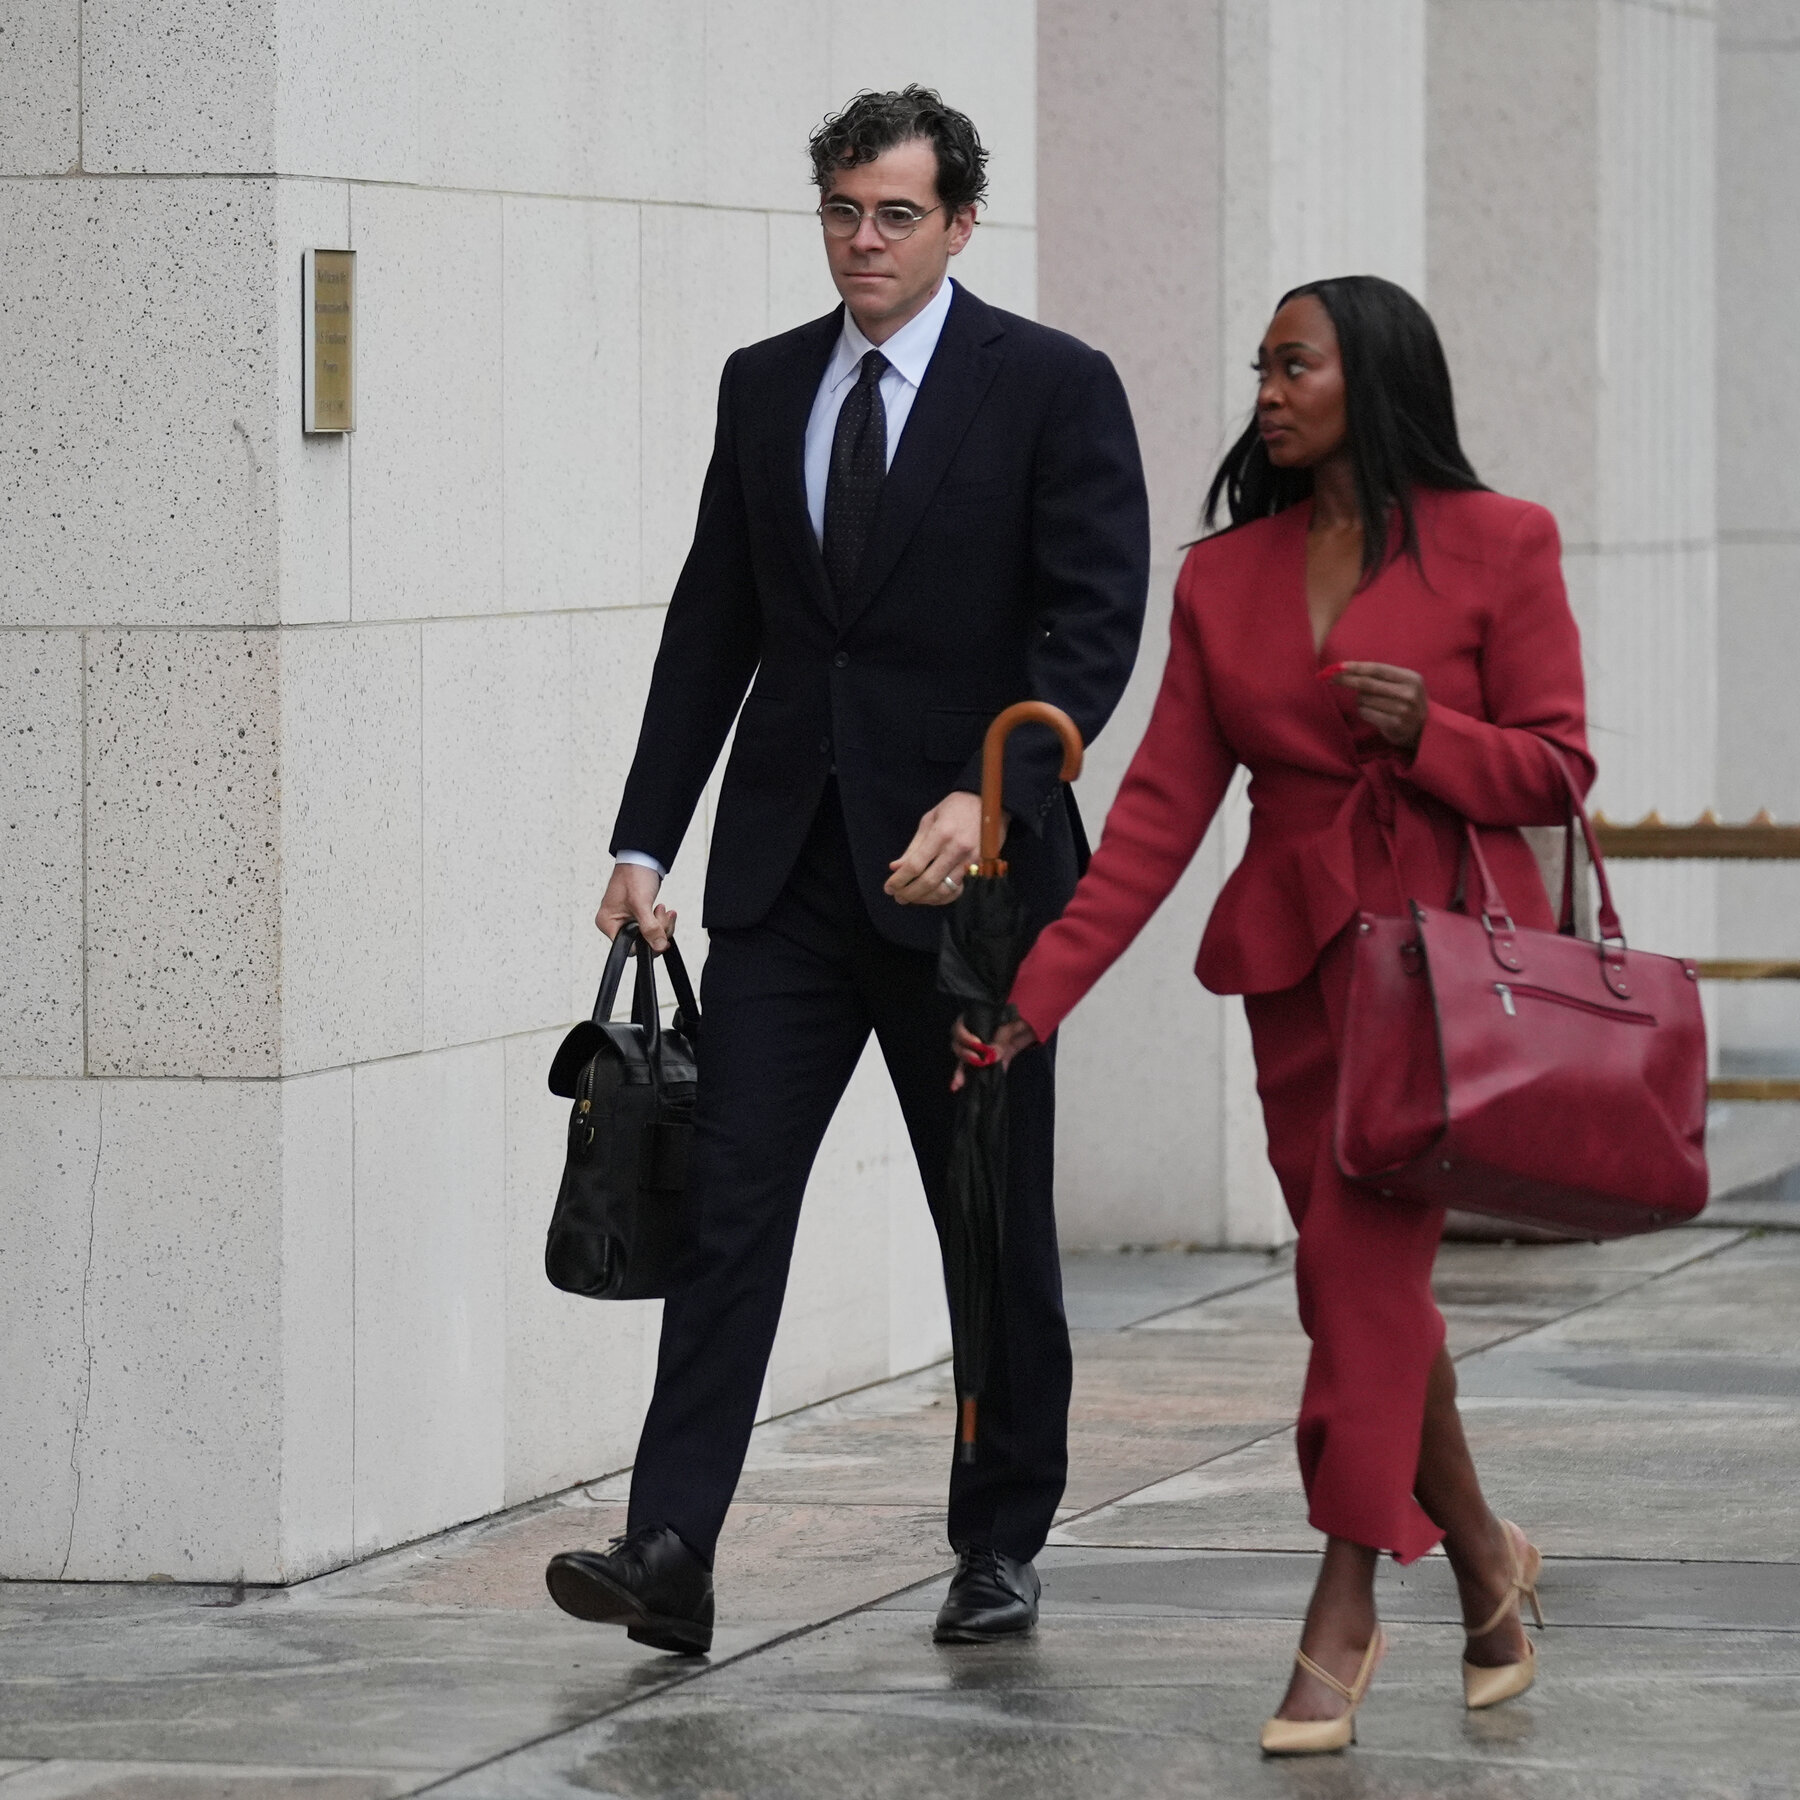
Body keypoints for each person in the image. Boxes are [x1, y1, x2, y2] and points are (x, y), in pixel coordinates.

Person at [545, 87, 1150, 1654]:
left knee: (987, 1227)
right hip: (788, 880)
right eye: (841, 210)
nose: (863, 240)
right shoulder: (764, 386)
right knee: (725, 1207)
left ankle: (999, 1543)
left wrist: (992, 798)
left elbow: (1092, 626)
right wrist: (643, 837)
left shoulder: (1054, 386)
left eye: (894, 214)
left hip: (975, 898)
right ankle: (671, 1546)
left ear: (960, 223)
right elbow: (714, 625)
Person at [955, 275, 1589, 1752]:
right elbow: (1157, 818)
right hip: (1297, 983)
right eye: (1262, 368)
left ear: (1374, 379)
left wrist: (1434, 734)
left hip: (1442, 978)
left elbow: (1558, 771)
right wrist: (1034, 997)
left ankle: (1342, 1610)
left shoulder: (1504, 542)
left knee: (1359, 1287)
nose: (1268, 392)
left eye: (1295, 366)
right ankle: (1487, 1566)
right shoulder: (1224, 577)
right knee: (1360, 1295)